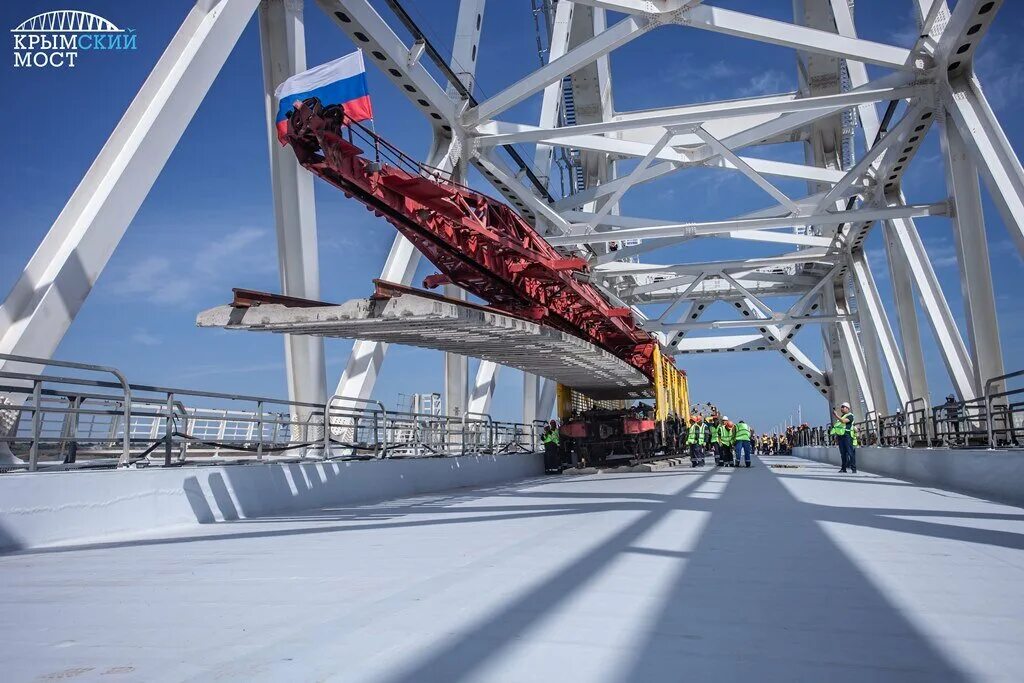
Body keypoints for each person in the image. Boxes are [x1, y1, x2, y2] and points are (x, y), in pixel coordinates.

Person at [832, 402, 856, 473]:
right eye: (841, 407)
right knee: (843, 453)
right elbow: (838, 427)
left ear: (847, 408)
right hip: (841, 436)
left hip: (847, 436)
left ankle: (853, 468)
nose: (841, 408)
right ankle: (843, 468)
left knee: (850, 452)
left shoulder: (850, 416)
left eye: (843, 407)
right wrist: (836, 437)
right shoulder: (842, 416)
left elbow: (843, 421)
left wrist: (836, 415)